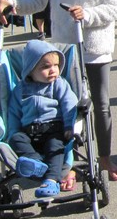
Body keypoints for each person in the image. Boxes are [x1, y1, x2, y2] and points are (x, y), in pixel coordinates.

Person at [0, 0, 117, 185]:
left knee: (100, 105)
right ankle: (66, 166)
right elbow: (35, 0)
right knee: (66, 107)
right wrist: (9, 0)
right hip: (65, 52)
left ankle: (104, 158)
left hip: (96, 48)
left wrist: (87, 14)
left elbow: (115, 7)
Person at [8, 39, 77, 198]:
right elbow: (13, 113)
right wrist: (13, 132)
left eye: (56, 65)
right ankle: (36, 163)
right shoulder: (20, 90)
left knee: (55, 147)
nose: (53, 70)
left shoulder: (59, 84)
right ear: (30, 69)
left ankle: (51, 180)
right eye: (46, 67)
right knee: (15, 139)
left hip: (54, 129)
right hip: (28, 132)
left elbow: (69, 104)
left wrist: (69, 127)